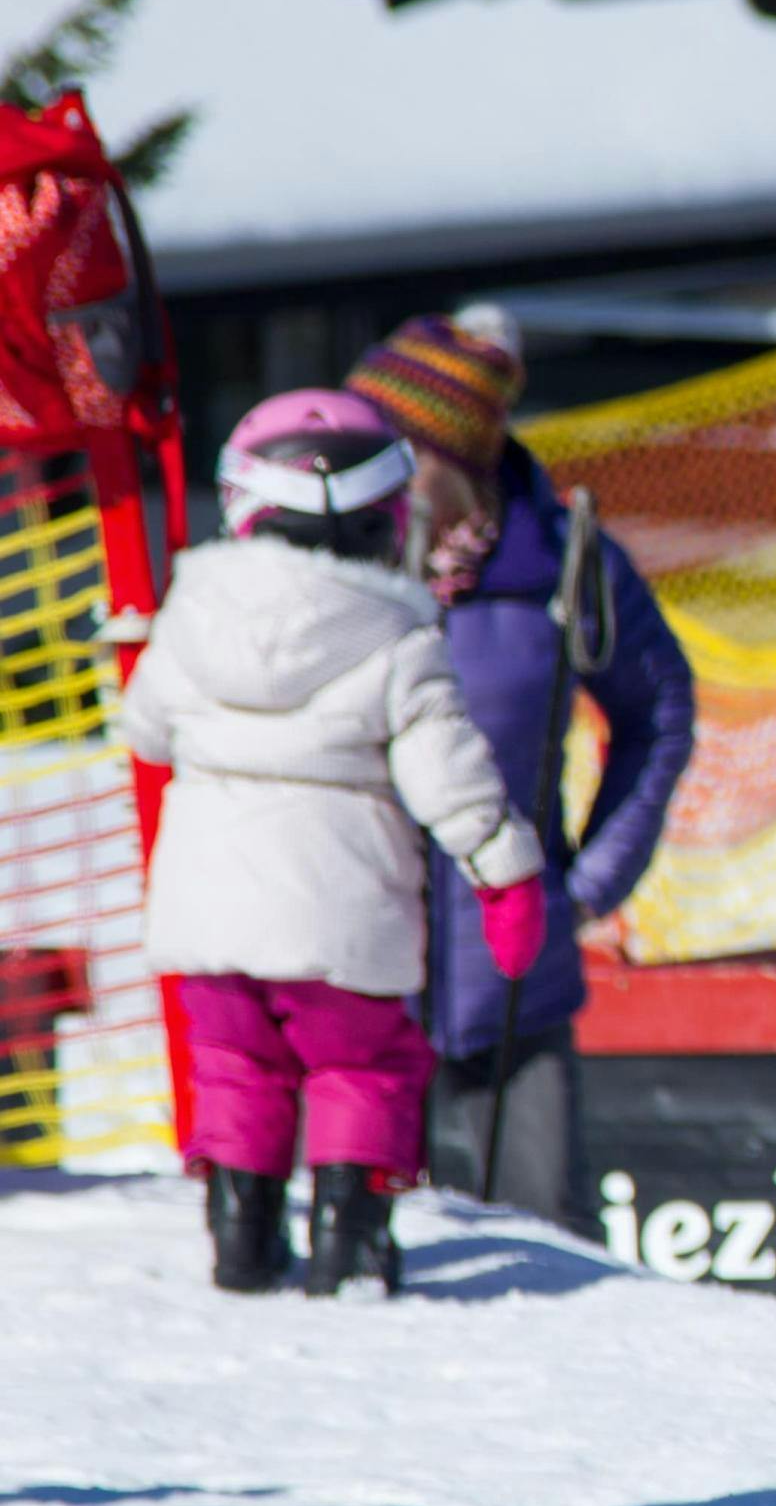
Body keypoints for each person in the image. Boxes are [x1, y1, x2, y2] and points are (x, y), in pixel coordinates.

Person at [123, 391, 546, 1295]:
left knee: (236, 1067)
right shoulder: (398, 635)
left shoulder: (191, 609)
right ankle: (349, 1249)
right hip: (344, 907)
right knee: (362, 1067)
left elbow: (147, 730)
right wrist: (505, 871)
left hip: (207, 903)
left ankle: (242, 1241)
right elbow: (450, 778)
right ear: (389, 517)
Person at [345, 311, 696, 1231]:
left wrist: (585, 886)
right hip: (350, 992)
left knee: (545, 1275)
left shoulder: (564, 563)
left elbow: (656, 710)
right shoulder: (329, 568)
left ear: (455, 460)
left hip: (513, 999)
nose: (367, 474)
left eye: (392, 451)